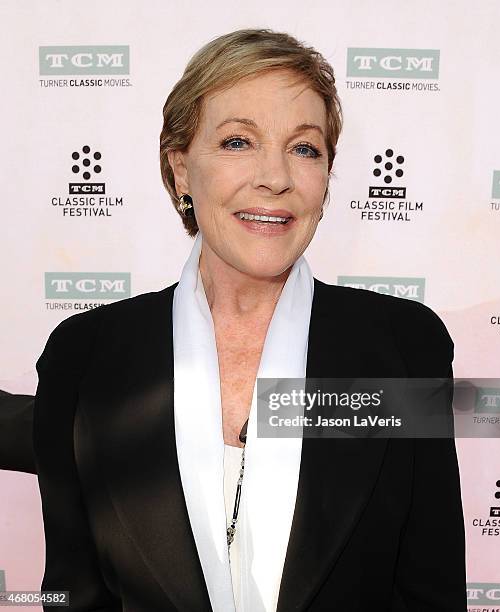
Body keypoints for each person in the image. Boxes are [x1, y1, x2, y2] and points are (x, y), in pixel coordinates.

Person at [32, 28, 466, 611]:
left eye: (304, 148)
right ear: (182, 170)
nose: (276, 176)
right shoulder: (83, 355)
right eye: (239, 142)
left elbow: (430, 591)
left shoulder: (404, 346)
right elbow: (70, 589)